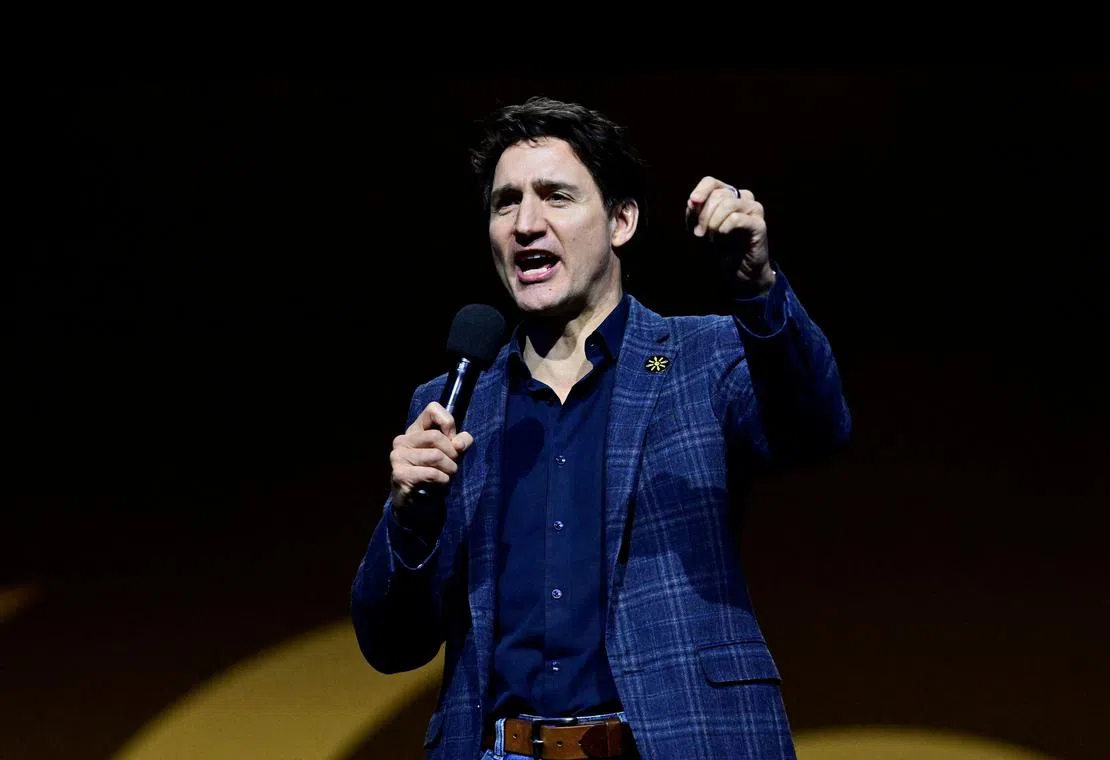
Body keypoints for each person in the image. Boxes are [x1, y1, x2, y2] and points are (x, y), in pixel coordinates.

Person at [351, 95, 851, 760]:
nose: (526, 223)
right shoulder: (450, 405)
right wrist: (408, 519)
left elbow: (816, 426)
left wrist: (757, 286)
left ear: (621, 220)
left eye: (556, 196)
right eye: (506, 203)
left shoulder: (702, 359)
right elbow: (391, 644)